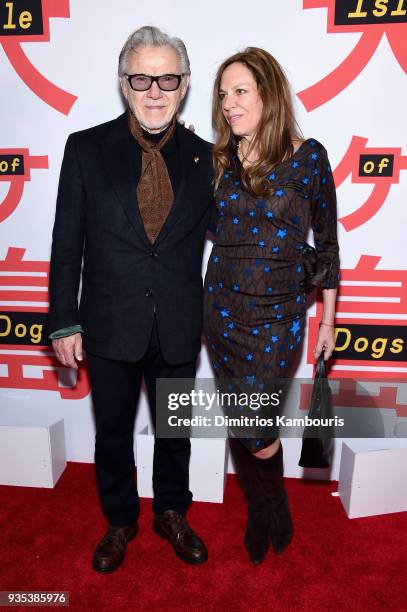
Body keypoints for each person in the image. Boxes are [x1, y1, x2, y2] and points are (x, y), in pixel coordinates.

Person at [48, 26, 214, 572]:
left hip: (178, 324)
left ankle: (172, 512)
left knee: (175, 433)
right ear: (124, 83)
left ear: (185, 84)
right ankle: (120, 521)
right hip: (108, 323)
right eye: (141, 77)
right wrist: (63, 321)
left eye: (167, 77)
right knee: (112, 433)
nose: (154, 90)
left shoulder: (208, 158)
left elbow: (236, 236)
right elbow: (67, 241)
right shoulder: (86, 148)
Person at [204, 47, 340, 564]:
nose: (229, 105)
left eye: (240, 92)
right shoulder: (218, 161)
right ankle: (261, 508)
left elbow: (326, 243)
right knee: (242, 422)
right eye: (222, 96)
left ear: (269, 94)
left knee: (259, 425)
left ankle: (273, 503)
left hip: (279, 314)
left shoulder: (309, 157)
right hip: (219, 309)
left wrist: (328, 317)